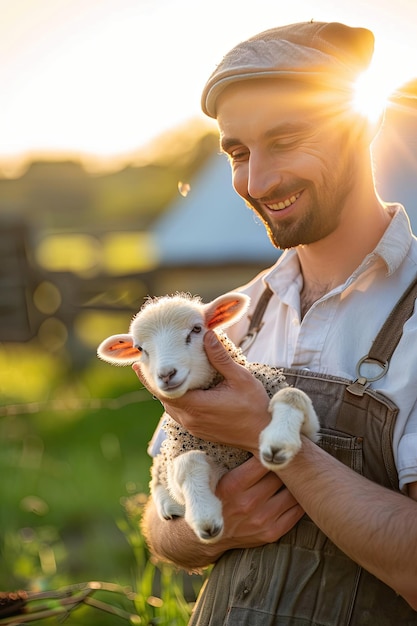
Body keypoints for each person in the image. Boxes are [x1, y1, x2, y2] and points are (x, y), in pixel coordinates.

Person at [135, 21, 417, 624]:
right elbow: (161, 527)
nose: (256, 182)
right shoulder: (221, 320)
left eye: (286, 141)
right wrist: (214, 526)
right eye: (237, 153)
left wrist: (265, 434)